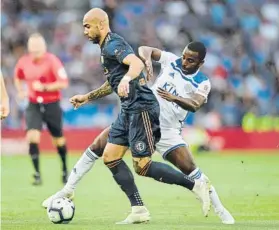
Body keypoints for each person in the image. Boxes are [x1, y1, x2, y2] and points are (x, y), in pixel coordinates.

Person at [44, 8, 211, 224]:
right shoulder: (106, 48)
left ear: (101, 25)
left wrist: (126, 80)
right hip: (128, 108)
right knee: (110, 157)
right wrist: (88, 96)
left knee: (142, 166)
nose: (84, 31)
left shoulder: (114, 44)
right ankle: (138, 209)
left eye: (87, 26)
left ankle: (196, 185)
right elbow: (113, 81)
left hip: (142, 108)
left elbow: (137, 63)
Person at [14, 33, 69, 185]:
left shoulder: (53, 61)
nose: (36, 52)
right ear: (29, 48)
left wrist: (45, 87)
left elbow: (63, 83)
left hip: (52, 103)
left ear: (44, 48)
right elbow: (18, 77)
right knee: (32, 136)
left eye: (38, 49)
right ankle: (37, 174)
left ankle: (64, 170)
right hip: (33, 104)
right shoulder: (23, 62)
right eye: (33, 49)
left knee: (58, 139)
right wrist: (20, 91)